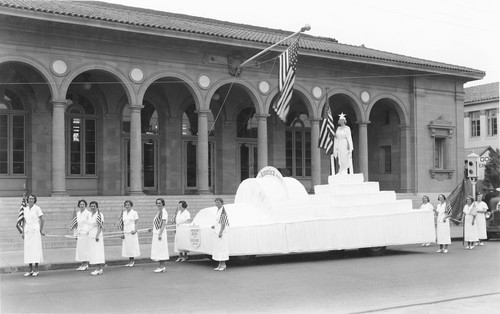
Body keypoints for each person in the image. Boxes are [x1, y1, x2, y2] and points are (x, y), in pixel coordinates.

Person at [21, 194, 45, 277]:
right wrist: (23, 232)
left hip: (35, 231)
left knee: (35, 250)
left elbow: (42, 219)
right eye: (29, 199)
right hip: (28, 231)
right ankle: (30, 270)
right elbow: (24, 221)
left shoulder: (37, 208)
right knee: (28, 250)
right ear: (27, 200)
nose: (31, 200)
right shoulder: (25, 209)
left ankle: (36, 269)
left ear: (35, 200)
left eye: (32, 199)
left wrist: (41, 230)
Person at [211, 198, 230, 271]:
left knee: (222, 248)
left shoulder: (223, 211)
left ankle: (223, 264)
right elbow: (218, 221)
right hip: (217, 231)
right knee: (218, 248)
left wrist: (221, 232)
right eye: (216, 202)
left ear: (222, 203)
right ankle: (219, 264)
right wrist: (214, 226)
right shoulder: (218, 211)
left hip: (222, 232)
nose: (217, 204)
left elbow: (223, 223)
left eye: (218, 202)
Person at [151, 198, 169, 273]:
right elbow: (157, 223)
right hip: (156, 232)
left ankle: (162, 266)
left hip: (160, 233)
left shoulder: (164, 212)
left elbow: (163, 224)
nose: (158, 204)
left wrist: (160, 234)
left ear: (163, 203)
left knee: (161, 249)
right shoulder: (159, 212)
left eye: (160, 203)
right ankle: (161, 266)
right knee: (158, 249)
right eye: (157, 203)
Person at [120, 200, 140, 267]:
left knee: (132, 246)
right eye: (126, 205)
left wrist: (135, 230)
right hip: (126, 231)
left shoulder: (134, 212)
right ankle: (129, 261)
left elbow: (136, 222)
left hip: (132, 231)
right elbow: (122, 224)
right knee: (127, 247)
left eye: (128, 205)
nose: (127, 206)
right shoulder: (124, 213)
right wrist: (122, 233)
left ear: (131, 205)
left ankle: (132, 261)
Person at [88, 201, 105, 275]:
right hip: (91, 234)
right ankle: (99, 268)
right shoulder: (90, 214)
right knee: (93, 252)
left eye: (94, 206)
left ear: (97, 207)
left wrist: (97, 235)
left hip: (97, 235)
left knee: (97, 252)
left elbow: (100, 226)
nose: (92, 207)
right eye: (91, 206)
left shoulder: (99, 215)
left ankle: (98, 268)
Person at [74, 199, 91, 271]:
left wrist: (88, 231)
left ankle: (86, 264)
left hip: (86, 233)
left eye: (83, 204)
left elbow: (90, 223)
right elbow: (76, 224)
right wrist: (76, 234)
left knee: (85, 249)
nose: (82, 206)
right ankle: (82, 263)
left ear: (85, 205)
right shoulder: (78, 213)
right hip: (80, 233)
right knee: (80, 249)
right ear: (79, 205)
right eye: (81, 204)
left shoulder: (88, 213)